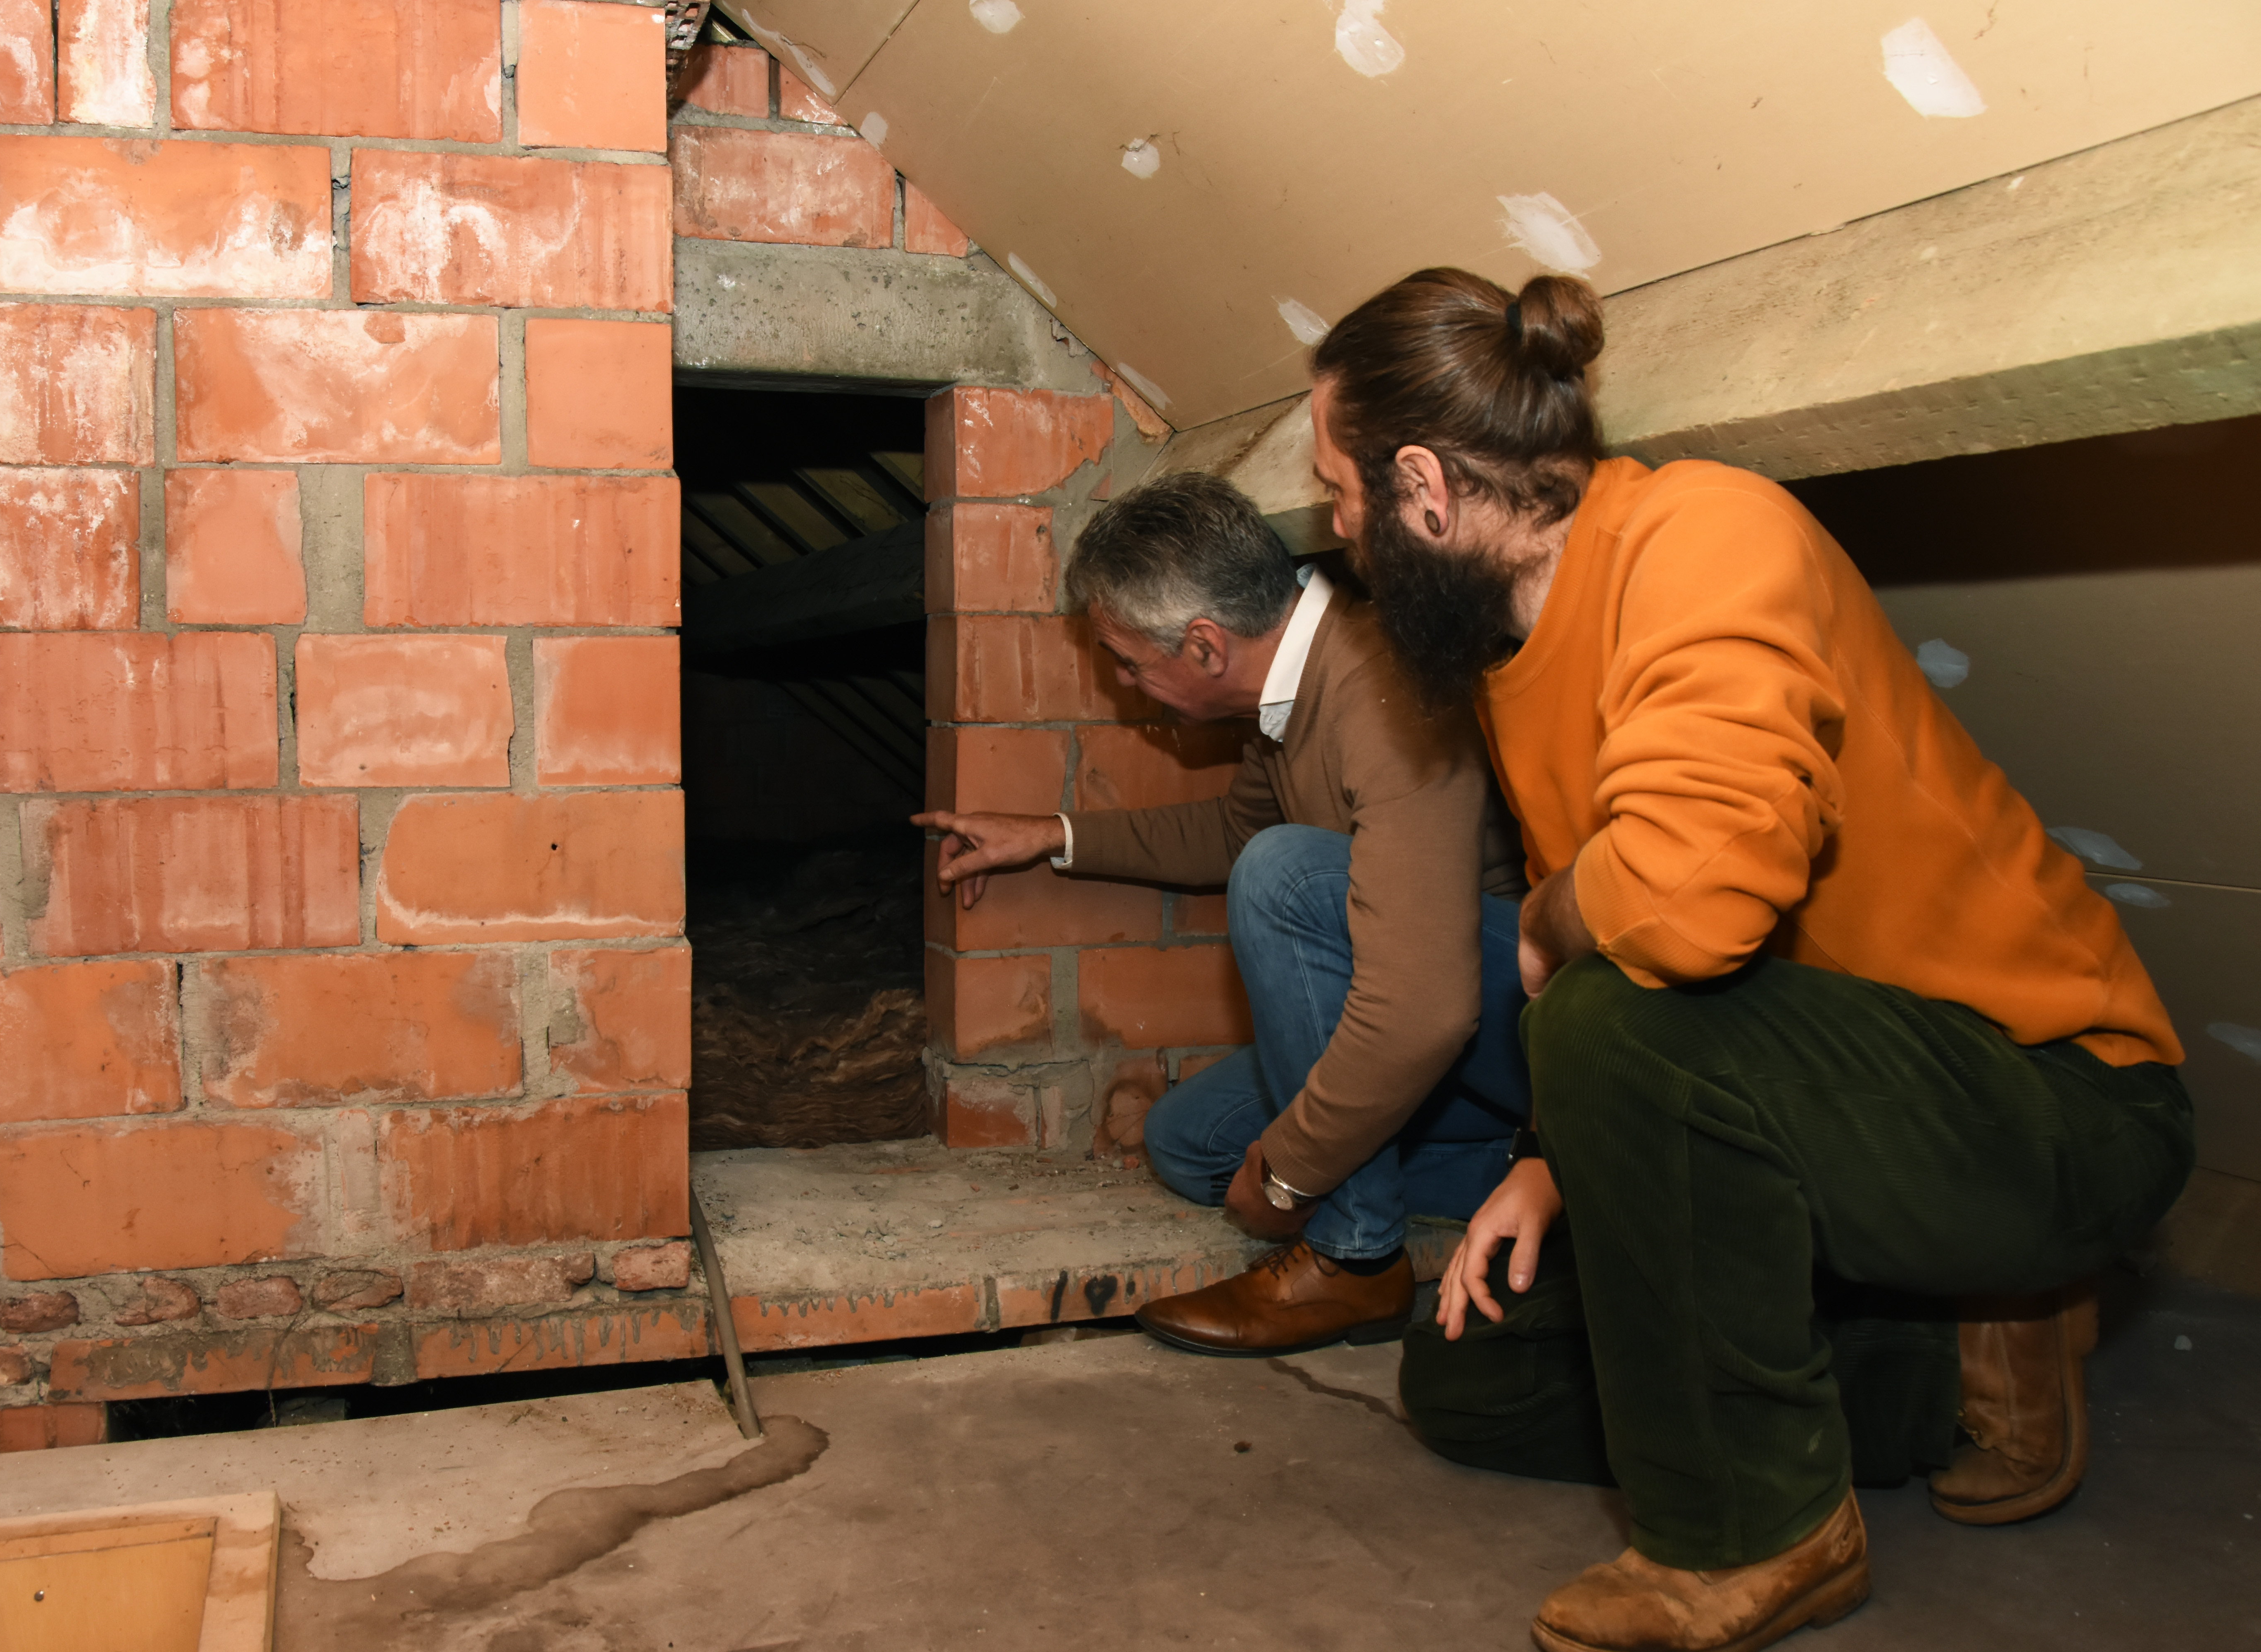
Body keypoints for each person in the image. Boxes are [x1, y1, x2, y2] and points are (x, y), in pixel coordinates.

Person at [1305, 266, 2194, 1652]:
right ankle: (1959, 1364)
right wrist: (1548, 1162)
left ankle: (1759, 1537)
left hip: (2053, 1107)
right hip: (1811, 1111)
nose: (1336, 527)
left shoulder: (1709, 531)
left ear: (1422, 485)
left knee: (1606, 1019)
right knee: (1468, 1381)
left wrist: (1547, 925)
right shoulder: (1513, 661)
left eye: (1339, 489)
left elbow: (1693, 898)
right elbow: (1623, 937)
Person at [911, 471, 1531, 1356]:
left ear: (1204, 646)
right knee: (1193, 1143)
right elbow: (1232, 830)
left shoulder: (1384, 694)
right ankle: (1555, 1176)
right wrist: (1049, 834)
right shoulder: (1285, 699)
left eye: (1129, 662)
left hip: (1504, 1025)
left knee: (1281, 877)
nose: (1128, 686)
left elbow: (1426, 1004)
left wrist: (1288, 1178)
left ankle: (1355, 1261)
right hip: (1429, 1035)